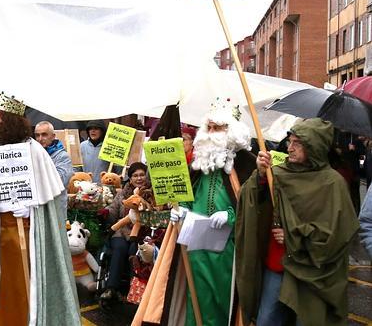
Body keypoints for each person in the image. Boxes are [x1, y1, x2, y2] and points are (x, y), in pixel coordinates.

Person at [0, 94, 80, 326]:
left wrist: (31, 207)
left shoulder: (34, 150)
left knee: (28, 284)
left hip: (29, 234)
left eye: (1, 115)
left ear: (13, 121)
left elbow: (50, 192)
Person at [237, 118, 360, 326]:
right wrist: (259, 174)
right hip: (277, 266)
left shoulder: (332, 183)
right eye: (289, 142)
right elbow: (250, 201)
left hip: (313, 272)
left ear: (314, 147)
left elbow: (338, 234)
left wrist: (293, 235)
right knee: (268, 320)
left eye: (297, 143)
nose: (290, 148)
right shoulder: (277, 173)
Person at [171, 101, 256, 326]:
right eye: (208, 128)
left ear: (232, 131)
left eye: (217, 128)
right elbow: (190, 190)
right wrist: (182, 209)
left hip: (227, 243)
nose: (211, 134)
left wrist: (231, 215)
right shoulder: (200, 162)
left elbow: (255, 204)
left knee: (222, 296)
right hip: (196, 238)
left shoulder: (247, 164)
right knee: (197, 294)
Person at [100, 162, 151, 301]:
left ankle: (133, 291)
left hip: (142, 232)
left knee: (135, 252)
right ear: (130, 178)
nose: (139, 178)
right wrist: (105, 212)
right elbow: (113, 209)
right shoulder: (123, 193)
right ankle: (111, 288)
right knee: (120, 248)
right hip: (122, 231)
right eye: (135, 176)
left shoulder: (150, 193)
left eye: (142, 175)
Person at [34, 120, 74, 214]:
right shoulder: (33, 154)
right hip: (39, 208)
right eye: (37, 135)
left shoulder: (62, 156)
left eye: (44, 134)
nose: (40, 138)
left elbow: (60, 181)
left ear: (53, 136)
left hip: (56, 209)